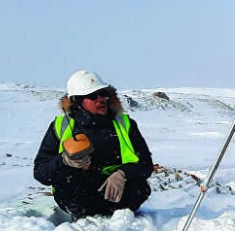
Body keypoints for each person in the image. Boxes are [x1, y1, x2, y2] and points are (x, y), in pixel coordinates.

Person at [34, 70, 154, 220]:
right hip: (78, 196)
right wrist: (63, 160)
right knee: (66, 178)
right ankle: (81, 217)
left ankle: (119, 217)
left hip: (114, 194)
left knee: (140, 186)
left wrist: (122, 173)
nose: (101, 99)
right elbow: (40, 173)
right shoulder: (60, 126)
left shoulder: (125, 124)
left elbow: (146, 165)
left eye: (103, 93)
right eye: (92, 96)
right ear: (77, 101)